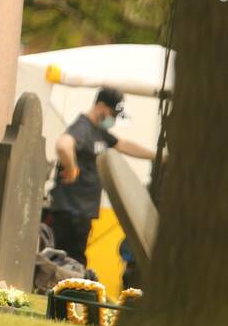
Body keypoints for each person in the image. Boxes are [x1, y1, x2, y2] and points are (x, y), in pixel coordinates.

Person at [48, 88, 156, 266]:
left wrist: (157, 156)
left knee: (75, 264)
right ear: (100, 106)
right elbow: (63, 145)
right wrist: (72, 167)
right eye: (112, 114)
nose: (112, 119)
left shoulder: (99, 132)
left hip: (82, 214)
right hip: (69, 212)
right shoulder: (82, 127)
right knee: (68, 265)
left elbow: (123, 145)